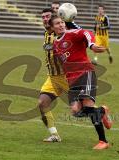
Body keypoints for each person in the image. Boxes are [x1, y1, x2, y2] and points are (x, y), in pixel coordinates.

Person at [49, 15, 112, 150]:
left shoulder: (72, 34)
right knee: (76, 111)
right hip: (72, 79)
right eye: (57, 24)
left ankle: (103, 141)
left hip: (85, 73)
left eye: (61, 22)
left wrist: (92, 45)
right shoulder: (55, 44)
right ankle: (102, 111)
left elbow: (86, 33)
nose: (61, 25)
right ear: (52, 28)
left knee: (88, 107)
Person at [38, 8, 69, 142]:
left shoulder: (62, 35)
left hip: (67, 77)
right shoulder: (46, 34)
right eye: (43, 17)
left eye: (47, 17)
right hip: (52, 77)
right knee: (42, 102)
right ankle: (54, 135)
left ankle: (102, 112)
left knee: (82, 110)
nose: (45, 19)